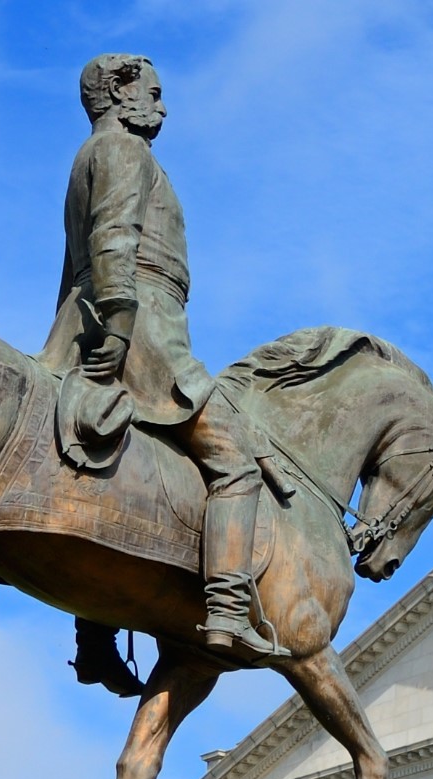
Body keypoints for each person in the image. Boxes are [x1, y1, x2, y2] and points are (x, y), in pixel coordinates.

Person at [56, 53, 289, 695]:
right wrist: (124, 325)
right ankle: (227, 610)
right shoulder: (125, 152)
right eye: (153, 93)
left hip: (88, 323)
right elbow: (112, 241)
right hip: (144, 328)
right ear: (120, 91)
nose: (162, 106)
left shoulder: (86, 158)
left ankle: (94, 641)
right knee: (235, 458)